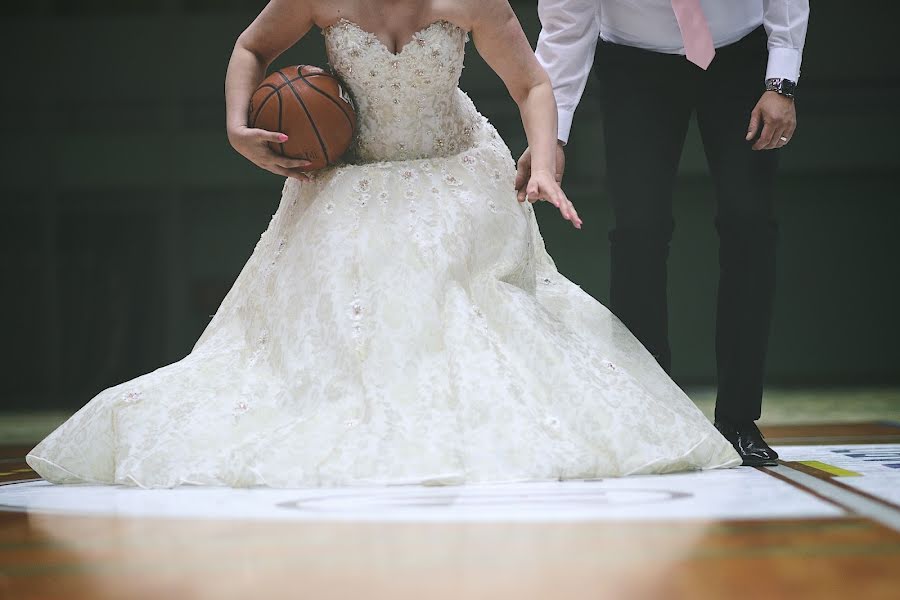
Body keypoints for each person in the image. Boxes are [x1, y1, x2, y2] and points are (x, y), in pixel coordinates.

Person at [25, 0, 739, 489]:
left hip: (457, 170)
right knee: (339, 302)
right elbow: (251, 46)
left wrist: (545, 159)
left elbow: (531, 84)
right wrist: (237, 124)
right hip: (353, 174)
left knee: (445, 286)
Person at [518, 0, 810, 466]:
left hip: (740, 56)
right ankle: (651, 415)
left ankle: (738, 418)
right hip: (636, 63)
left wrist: (781, 80)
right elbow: (565, 27)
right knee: (638, 231)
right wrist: (551, 137)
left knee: (749, 226)